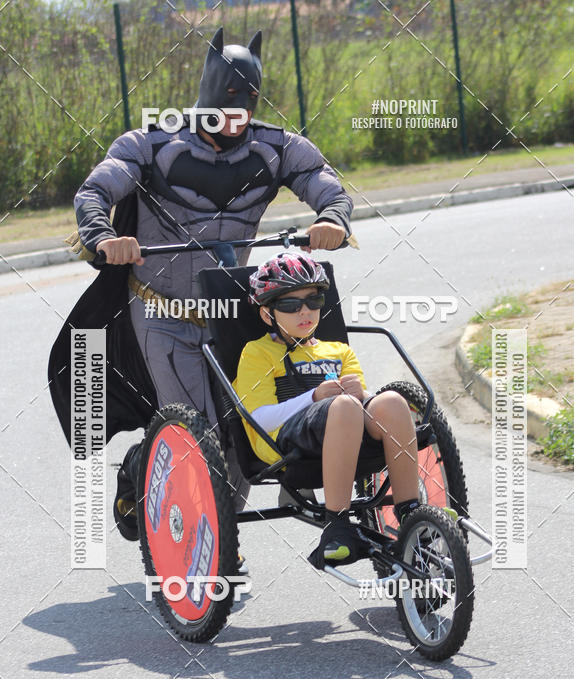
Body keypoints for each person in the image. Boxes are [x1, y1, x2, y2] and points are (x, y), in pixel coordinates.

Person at [48, 27, 353, 554]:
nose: (237, 122)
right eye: (227, 108)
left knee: (242, 435)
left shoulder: (278, 148)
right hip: (161, 315)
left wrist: (332, 216)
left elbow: (324, 181)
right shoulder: (150, 144)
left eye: (247, 110)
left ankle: (179, 504)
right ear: (208, 96)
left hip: (233, 315)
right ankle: (204, 557)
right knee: (205, 440)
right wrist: (104, 237)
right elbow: (96, 190)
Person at [233, 252, 422, 569]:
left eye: (313, 300)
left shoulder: (339, 350)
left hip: (346, 433)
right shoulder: (257, 353)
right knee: (345, 405)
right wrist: (314, 397)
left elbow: (364, 405)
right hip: (285, 442)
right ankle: (337, 525)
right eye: (291, 305)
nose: (304, 311)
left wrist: (366, 396)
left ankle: (410, 512)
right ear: (268, 315)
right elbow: (260, 418)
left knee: (391, 401)